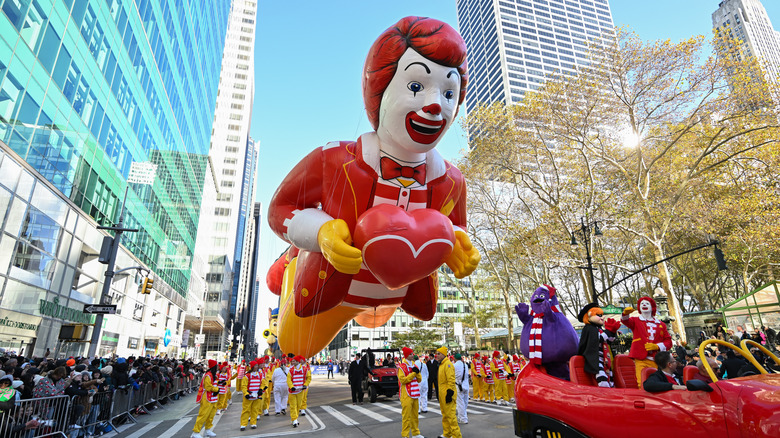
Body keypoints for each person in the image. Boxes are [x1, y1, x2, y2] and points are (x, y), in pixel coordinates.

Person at [266, 16, 479, 358]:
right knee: (292, 349)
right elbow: (279, 209)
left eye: (449, 92)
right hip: (329, 293)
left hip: (397, 294)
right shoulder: (335, 159)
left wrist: (456, 249)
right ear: (379, 88)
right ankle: (291, 264)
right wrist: (321, 233)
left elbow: (456, 230)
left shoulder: (452, 181)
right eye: (415, 87)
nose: (437, 104)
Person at [621, 296, 673, 388]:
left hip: (657, 360)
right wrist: (625, 314)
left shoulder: (661, 324)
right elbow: (626, 321)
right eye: (642, 303)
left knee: (659, 382)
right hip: (641, 359)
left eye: (647, 303)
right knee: (642, 382)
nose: (644, 304)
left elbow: (668, 341)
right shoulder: (635, 321)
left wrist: (657, 346)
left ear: (652, 307)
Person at [577, 303, 621, 387]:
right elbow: (597, 340)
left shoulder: (599, 329)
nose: (602, 317)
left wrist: (612, 333)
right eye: (599, 315)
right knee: (602, 379)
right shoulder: (589, 328)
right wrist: (608, 332)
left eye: (602, 315)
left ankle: (611, 392)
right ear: (589, 316)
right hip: (595, 359)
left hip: (605, 358)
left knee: (610, 378)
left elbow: (608, 341)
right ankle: (604, 393)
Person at [397, 347, 424, 438]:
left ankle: (416, 433)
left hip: (415, 393)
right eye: (410, 354)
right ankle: (405, 435)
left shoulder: (414, 365)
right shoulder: (402, 367)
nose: (413, 355)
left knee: (415, 416)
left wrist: (417, 372)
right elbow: (403, 380)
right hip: (406, 394)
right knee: (406, 416)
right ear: (406, 355)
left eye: (412, 353)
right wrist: (413, 374)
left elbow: (419, 379)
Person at [436, 346, 461, 438]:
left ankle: (456, 435)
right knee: (445, 415)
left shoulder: (448, 364)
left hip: (447, 393)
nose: (437, 356)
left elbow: (451, 379)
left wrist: (449, 392)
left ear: (443, 354)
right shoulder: (442, 364)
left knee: (451, 416)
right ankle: (447, 433)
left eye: (439, 354)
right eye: (436, 354)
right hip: (443, 393)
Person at [192, 360, 220, 438]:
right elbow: (207, 387)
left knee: (211, 415)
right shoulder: (208, 375)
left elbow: (214, 384)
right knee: (203, 415)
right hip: (207, 398)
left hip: (213, 398)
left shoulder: (214, 375)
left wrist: (218, 387)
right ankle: (196, 432)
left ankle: (207, 430)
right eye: (216, 365)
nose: (218, 367)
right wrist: (216, 389)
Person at [239, 361, 264, 431]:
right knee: (246, 410)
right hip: (249, 396)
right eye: (255, 365)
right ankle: (243, 424)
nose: (256, 367)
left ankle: (253, 423)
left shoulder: (260, 375)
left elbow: (263, 383)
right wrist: (246, 394)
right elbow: (243, 386)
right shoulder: (247, 376)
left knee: (255, 410)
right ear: (252, 367)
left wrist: (261, 390)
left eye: (257, 365)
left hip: (256, 396)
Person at [287, 355, 308, 428]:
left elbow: (308, 377)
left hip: (300, 391)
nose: (293, 362)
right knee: (293, 406)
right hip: (292, 391)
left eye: (294, 361)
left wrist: (305, 384)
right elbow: (288, 380)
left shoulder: (305, 369)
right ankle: (294, 419)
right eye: (292, 361)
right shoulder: (291, 370)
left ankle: (295, 418)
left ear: (298, 361)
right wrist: (291, 387)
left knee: (298, 405)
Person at [453, 353, 469, 424]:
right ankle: (464, 416)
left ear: (455, 359)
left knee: (460, 403)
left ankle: (463, 418)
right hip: (466, 385)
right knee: (465, 402)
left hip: (458, 385)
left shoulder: (454, 366)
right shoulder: (465, 365)